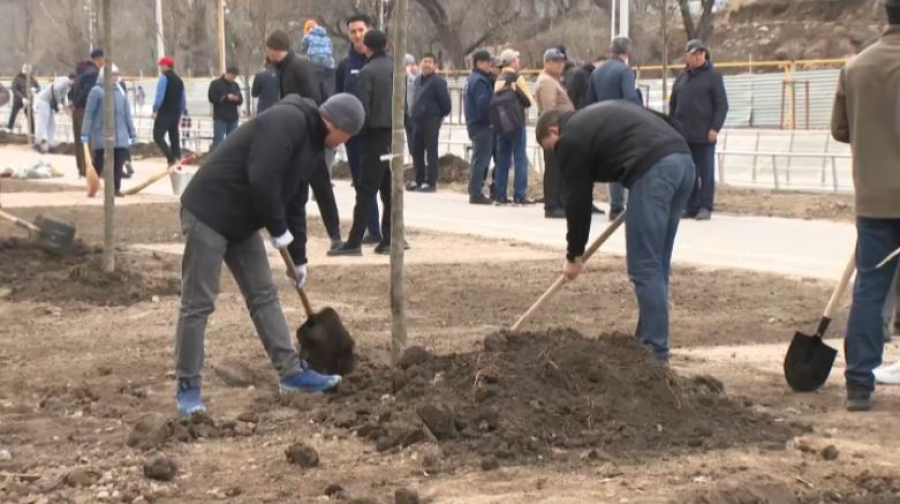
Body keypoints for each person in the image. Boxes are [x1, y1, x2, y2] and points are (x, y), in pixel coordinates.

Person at [173, 93, 364, 417]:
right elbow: (262, 177)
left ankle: (291, 373)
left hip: (243, 220)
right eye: (348, 135)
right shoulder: (285, 122)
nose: (345, 142)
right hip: (209, 210)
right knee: (199, 303)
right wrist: (277, 229)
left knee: (264, 295)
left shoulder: (313, 146)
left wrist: (298, 256)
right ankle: (188, 389)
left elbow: (295, 202)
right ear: (336, 124)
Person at [536, 102, 694, 363]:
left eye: (550, 148)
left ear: (554, 130)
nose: (555, 155)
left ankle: (654, 351)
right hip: (683, 163)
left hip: (654, 173)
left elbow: (578, 201)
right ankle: (647, 342)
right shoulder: (601, 112)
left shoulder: (569, 138)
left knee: (644, 267)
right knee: (657, 264)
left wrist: (574, 255)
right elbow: (668, 122)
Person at [831, 0, 900, 412]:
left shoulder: (855, 67)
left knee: (871, 290)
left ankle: (859, 382)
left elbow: (841, 129)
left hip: (873, 198)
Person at [266, 29, 342, 249]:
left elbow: (312, 99)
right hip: (293, 137)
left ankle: (335, 236)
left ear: (272, 50)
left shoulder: (299, 66)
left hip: (308, 136)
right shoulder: (283, 68)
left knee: (321, 187)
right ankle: (290, 235)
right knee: (292, 189)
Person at [329, 30, 393, 257]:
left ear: (367, 48)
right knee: (388, 190)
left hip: (374, 137)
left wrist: (356, 133)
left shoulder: (367, 72)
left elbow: (363, 109)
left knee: (365, 190)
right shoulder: (396, 68)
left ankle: (354, 241)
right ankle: (390, 238)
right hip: (393, 137)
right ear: (385, 45)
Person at [669, 40, 729, 221]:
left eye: (701, 53)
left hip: (704, 134)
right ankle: (691, 206)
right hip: (683, 134)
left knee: (706, 173)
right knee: (689, 173)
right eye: (694, 54)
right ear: (687, 56)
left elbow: (722, 105)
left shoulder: (713, 76)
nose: (698, 56)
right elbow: (674, 103)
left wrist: (715, 128)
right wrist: (672, 125)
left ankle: (705, 206)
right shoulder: (682, 77)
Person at [336, 14, 381, 245]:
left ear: (368, 30)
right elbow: (339, 100)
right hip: (354, 136)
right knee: (362, 185)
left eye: (360, 30)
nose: (357, 35)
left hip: (377, 134)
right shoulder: (345, 66)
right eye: (353, 31)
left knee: (384, 183)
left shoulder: (379, 62)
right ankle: (372, 229)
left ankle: (391, 231)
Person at [588, 36, 642, 220]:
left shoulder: (597, 72)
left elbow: (591, 101)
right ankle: (623, 206)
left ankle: (615, 207)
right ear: (626, 52)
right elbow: (629, 97)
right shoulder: (624, 71)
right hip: (622, 123)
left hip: (603, 123)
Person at [81, 65, 137, 196]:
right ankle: (92, 186)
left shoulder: (121, 92)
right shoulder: (97, 91)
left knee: (118, 163)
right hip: (102, 134)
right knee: (99, 162)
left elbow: (127, 114)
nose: (115, 77)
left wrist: (132, 133)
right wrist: (85, 133)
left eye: (116, 74)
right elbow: (89, 114)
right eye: (112, 74)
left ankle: (115, 189)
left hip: (121, 135)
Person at [534, 47, 574, 219]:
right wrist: (554, 131)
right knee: (554, 168)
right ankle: (552, 205)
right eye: (556, 61)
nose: (560, 64)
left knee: (560, 168)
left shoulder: (553, 80)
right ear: (547, 62)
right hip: (555, 130)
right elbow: (549, 110)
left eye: (562, 61)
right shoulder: (547, 82)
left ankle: (560, 202)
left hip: (561, 128)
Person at [492, 48, 535, 206]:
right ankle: (519, 194)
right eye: (517, 59)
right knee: (520, 158)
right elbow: (529, 100)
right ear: (511, 61)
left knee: (502, 159)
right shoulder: (517, 77)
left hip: (502, 123)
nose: (519, 62)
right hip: (516, 123)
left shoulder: (499, 78)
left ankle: (500, 194)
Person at [408, 53, 451, 193]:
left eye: (430, 62)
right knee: (416, 150)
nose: (426, 64)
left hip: (431, 120)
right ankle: (419, 180)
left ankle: (431, 182)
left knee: (431, 150)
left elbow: (446, 104)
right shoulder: (417, 80)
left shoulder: (438, 81)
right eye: (424, 61)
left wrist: (437, 115)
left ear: (435, 65)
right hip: (417, 120)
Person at [464, 50, 494, 205]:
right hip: (481, 125)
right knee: (481, 159)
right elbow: (483, 104)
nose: (490, 65)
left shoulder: (472, 79)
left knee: (478, 158)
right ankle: (475, 193)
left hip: (474, 124)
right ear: (479, 63)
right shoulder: (480, 81)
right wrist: (490, 120)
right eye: (488, 61)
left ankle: (475, 190)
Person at [71, 50, 105, 177]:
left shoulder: (80, 71)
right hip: (86, 110)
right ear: (100, 59)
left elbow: (72, 90)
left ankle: (82, 168)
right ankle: (90, 169)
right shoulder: (94, 73)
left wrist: (73, 102)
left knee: (79, 141)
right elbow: (89, 92)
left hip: (76, 110)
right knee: (89, 141)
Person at [152, 56, 186, 166]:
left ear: (165, 65)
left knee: (158, 136)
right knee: (174, 136)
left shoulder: (164, 78)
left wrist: (155, 109)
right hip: (175, 112)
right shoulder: (179, 80)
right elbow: (182, 100)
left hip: (164, 112)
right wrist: (180, 113)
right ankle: (177, 158)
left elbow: (159, 96)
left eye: (161, 65)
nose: (160, 68)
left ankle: (171, 158)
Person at [34, 73, 74, 153]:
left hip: (49, 104)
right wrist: (59, 102)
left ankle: (51, 145)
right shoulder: (65, 80)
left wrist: (66, 109)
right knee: (42, 122)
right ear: (72, 79)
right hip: (43, 101)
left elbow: (61, 96)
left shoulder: (68, 86)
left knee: (51, 125)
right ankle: (37, 143)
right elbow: (56, 89)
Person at [208, 66, 243, 150]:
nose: (233, 79)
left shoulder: (235, 85)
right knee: (219, 141)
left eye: (235, 77)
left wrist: (237, 99)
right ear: (227, 73)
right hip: (220, 117)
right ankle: (216, 160)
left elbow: (241, 100)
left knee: (233, 142)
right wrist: (225, 97)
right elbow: (212, 98)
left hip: (233, 117)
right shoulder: (215, 84)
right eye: (232, 76)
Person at [7, 64, 39, 134]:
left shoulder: (32, 79)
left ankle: (32, 133)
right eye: (25, 69)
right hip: (18, 100)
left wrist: (35, 90)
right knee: (13, 114)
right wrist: (22, 98)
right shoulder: (17, 78)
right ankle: (9, 129)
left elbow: (38, 87)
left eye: (28, 70)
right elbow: (14, 89)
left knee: (30, 116)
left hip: (29, 100)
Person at [404, 54, 418, 159]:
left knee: (415, 140)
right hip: (405, 114)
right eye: (410, 64)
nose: (414, 67)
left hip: (413, 114)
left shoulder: (416, 78)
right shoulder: (399, 77)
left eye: (414, 64)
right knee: (410, 139)